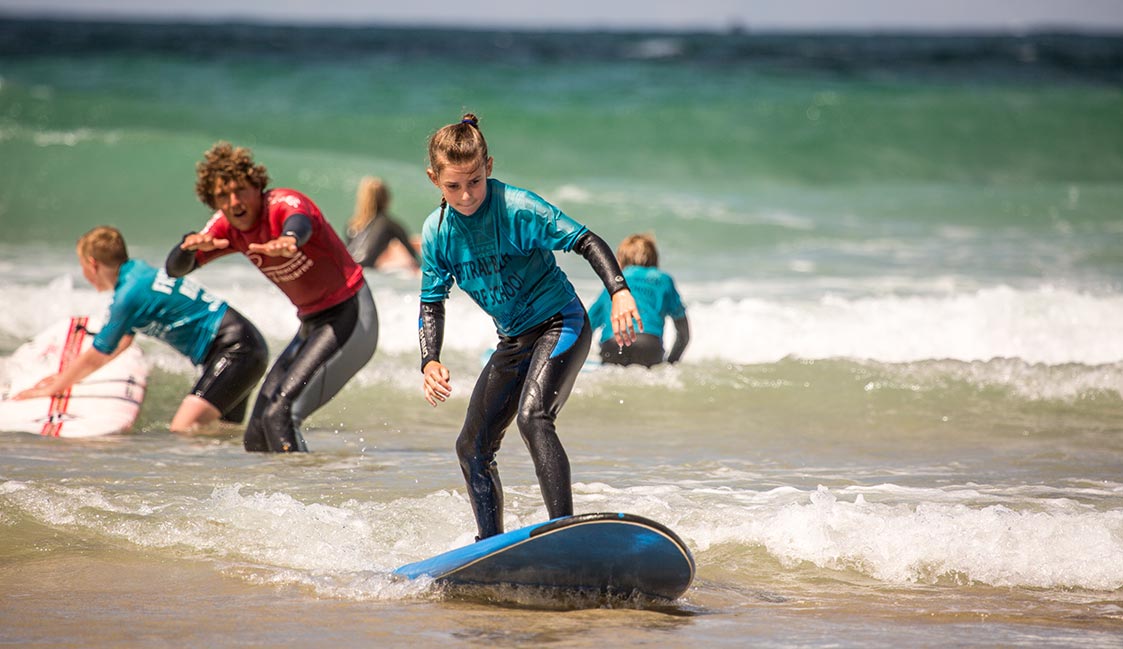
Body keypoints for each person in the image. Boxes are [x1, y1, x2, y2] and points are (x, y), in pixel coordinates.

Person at [418, 113, 642, 541]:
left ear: (489, 167)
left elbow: (586, 240)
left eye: (475, 181)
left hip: (561, 322)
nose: (466, 196)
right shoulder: (437, 233)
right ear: (434, 179)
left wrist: (619, 291)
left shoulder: (517, 207)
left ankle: (563, 532)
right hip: (514, 339)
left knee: (533, 417)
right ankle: (489, 548)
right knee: (471, 447)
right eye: (453, 186)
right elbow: (431, 302)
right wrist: (430, 360)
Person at [166, 141, 379, 453]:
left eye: (241, 190)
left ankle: (302, 496)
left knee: (281, 413)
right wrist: (187, 245)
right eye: (223, 195)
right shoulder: (227, 226)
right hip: (311, 325)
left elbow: (300, 222)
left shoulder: (282, 204)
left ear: (258, 187)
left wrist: (290, 239)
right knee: (257, 430)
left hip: (351, 314)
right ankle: (271, 499)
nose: (234, 201)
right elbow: (175, 269)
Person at [16, 226, 268, 433]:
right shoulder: (139, 272)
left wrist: (53, 388)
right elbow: (122, 341)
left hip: (235, 350)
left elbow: (100, 352)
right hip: (244, 345)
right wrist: (65, 377)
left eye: (82, 265)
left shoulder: (128, 296)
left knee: (183, 428)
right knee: (221, 433)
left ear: (92, 264)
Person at [589, 233, 690, 367]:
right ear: (654, 258)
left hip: (614, 342)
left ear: (621, 258)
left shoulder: (615, 280)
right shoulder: (664, 280)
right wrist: (670, 363)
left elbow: (588, 324)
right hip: (649, 345)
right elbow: (684, 334)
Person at [345, 176, 421, 272]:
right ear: (386, 198)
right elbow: (412, 255)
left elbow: (351, 249)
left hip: (349, 267)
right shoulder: (389, 224)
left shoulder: (352, 225)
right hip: (365, 269)